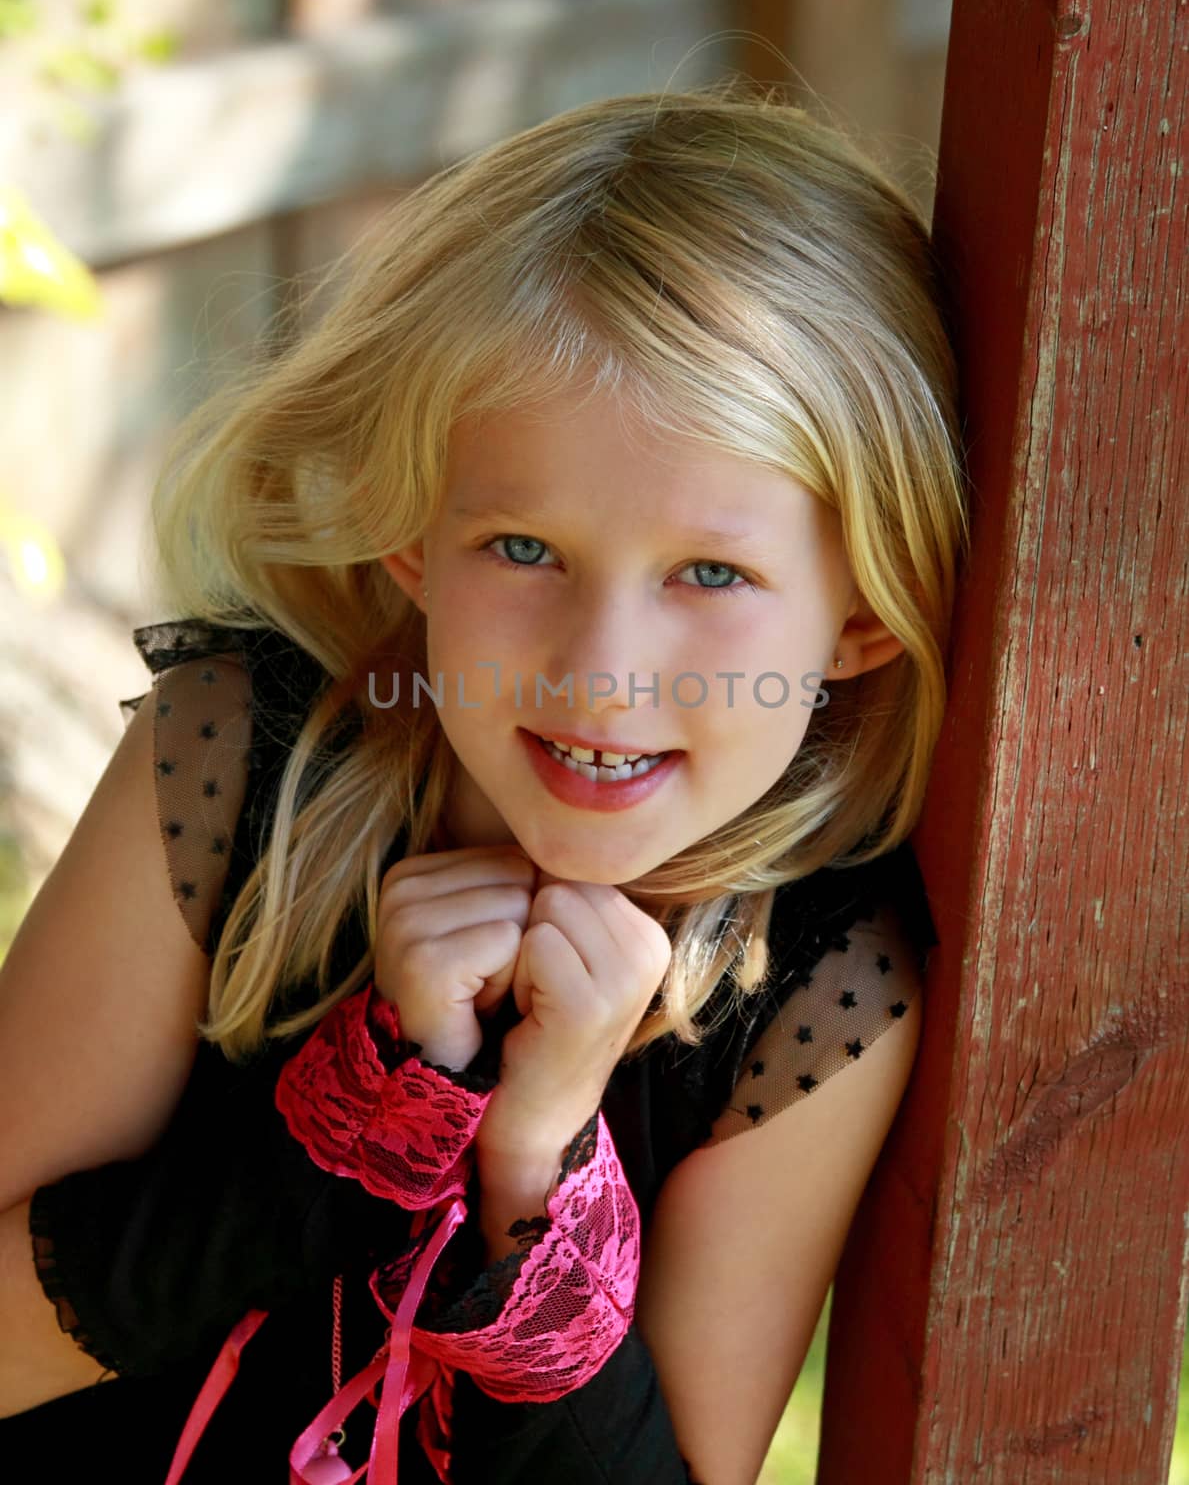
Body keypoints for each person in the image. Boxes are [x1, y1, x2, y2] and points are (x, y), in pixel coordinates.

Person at [0, 81, 969, 1483]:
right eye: (522, 549)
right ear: (412, 546)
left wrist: (536, 1159)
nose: (601, 670)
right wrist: (358, 1133)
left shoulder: (820, 990)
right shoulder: (234, 762)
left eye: (711, 575)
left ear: (859, 616)